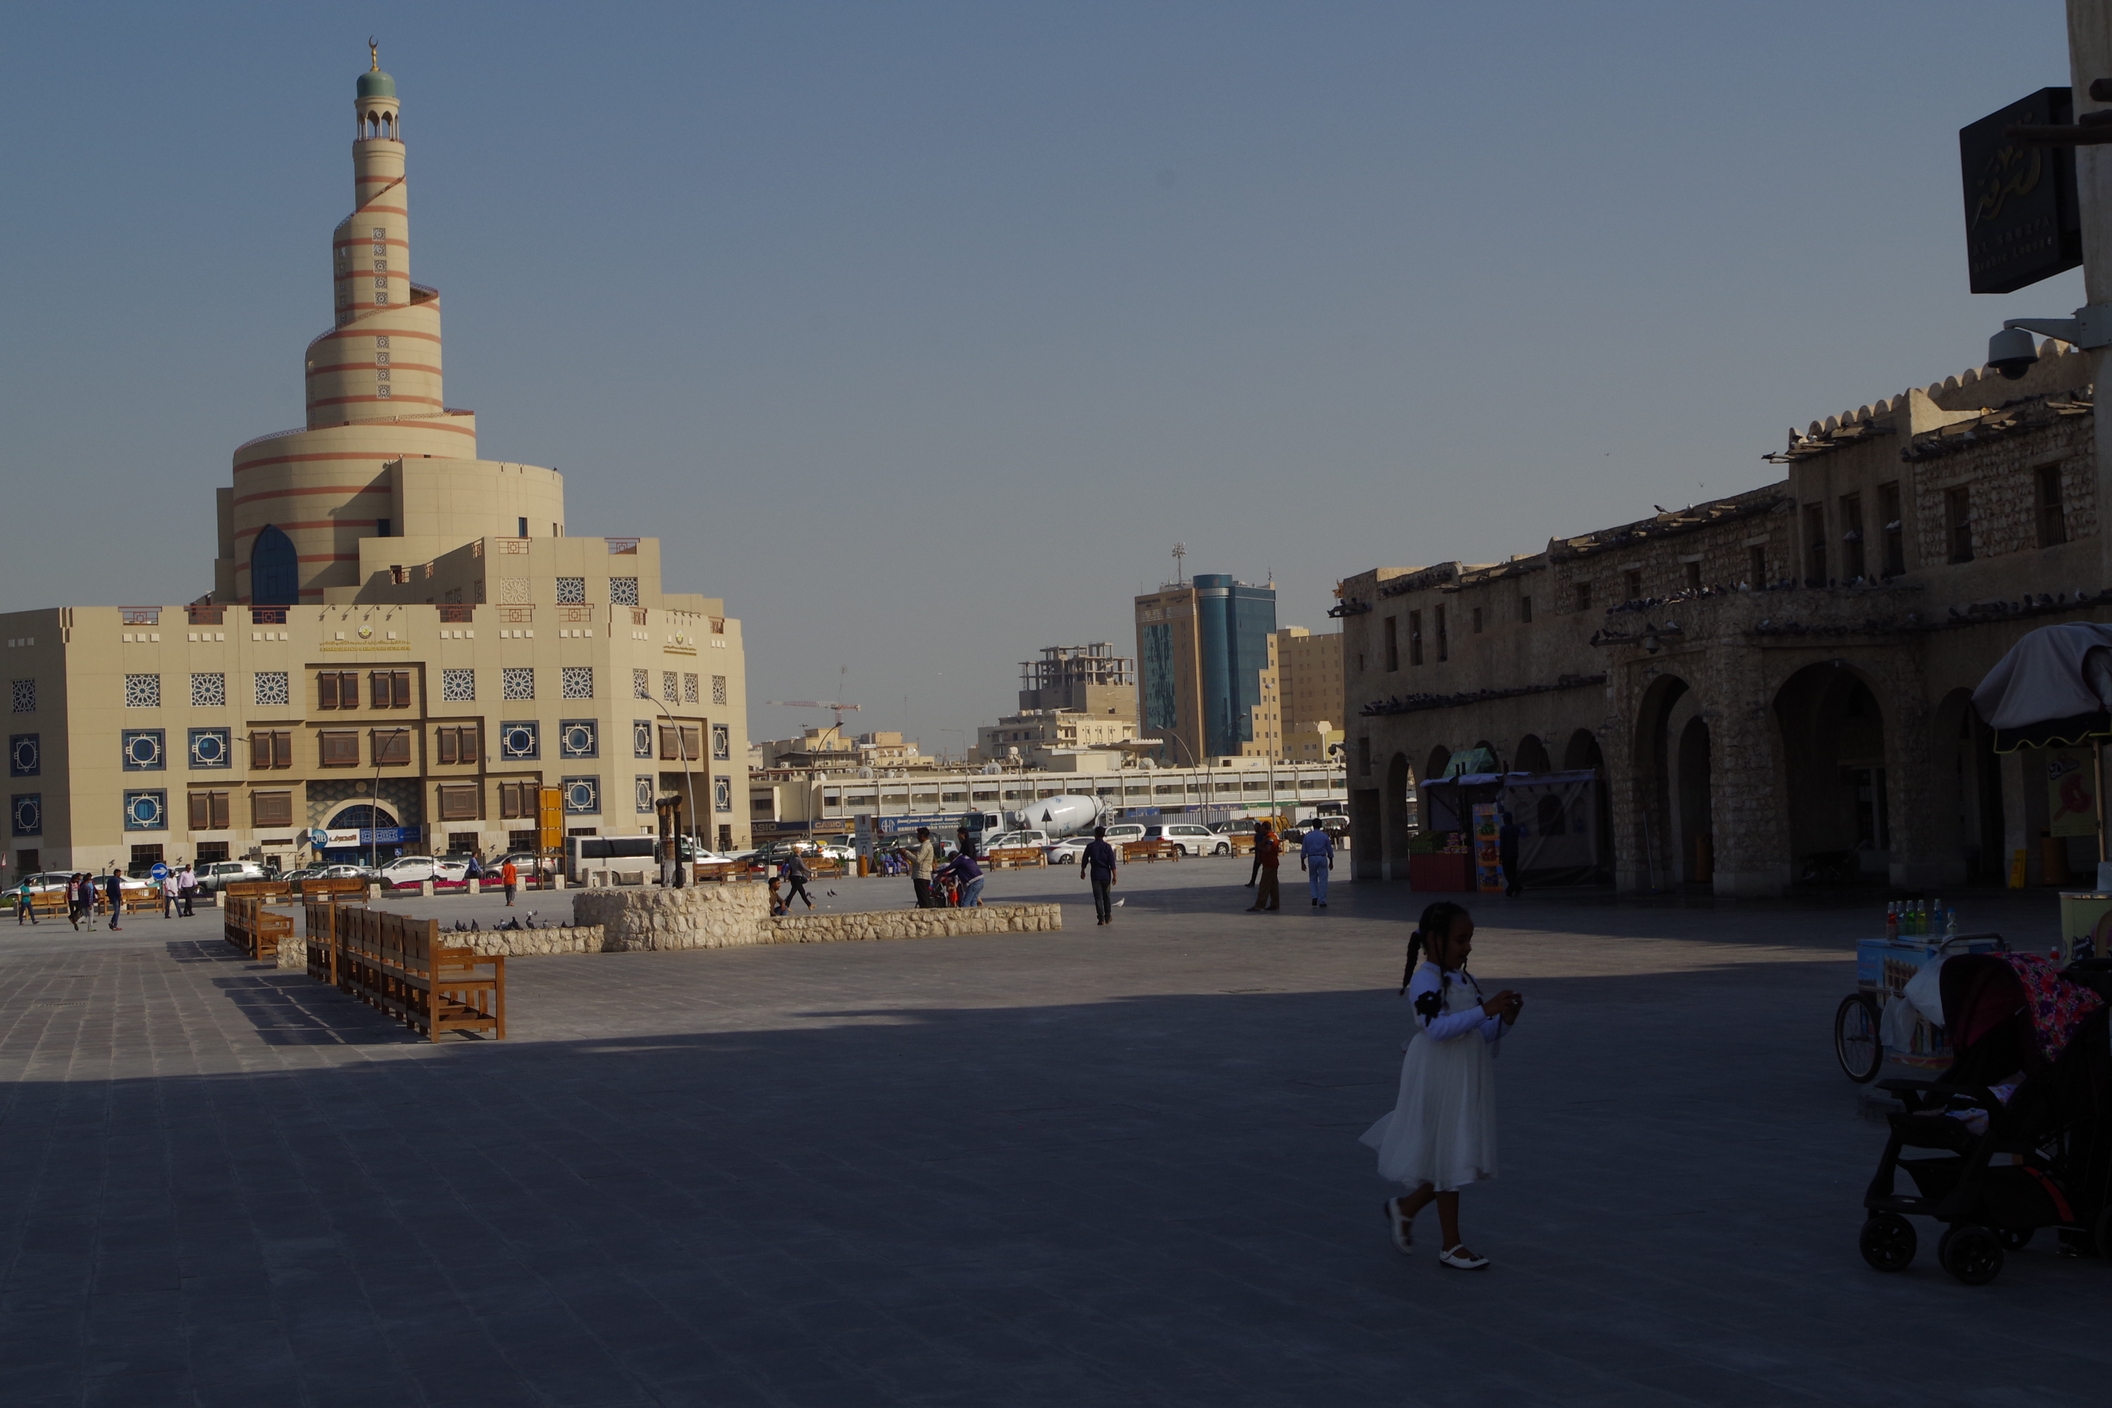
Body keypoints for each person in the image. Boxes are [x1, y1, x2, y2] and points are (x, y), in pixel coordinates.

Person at [1361, 901, 1524, 1271]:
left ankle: (1409, 1211)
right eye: (1460, 940)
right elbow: (1435, 1028)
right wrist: (1485, 1011)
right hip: (1438, 1073)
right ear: (1435, 940)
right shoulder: (1426, 979)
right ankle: (1449, 1243)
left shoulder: (1463, 979)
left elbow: (1478, 1032)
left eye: (1469, 939)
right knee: (1447, 1153)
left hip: (1461, 1073)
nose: (1467, 947)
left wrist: (1504, 1019)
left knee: (1449, 1154)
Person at [1080, 826, 1118, 926]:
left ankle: (1101, 918)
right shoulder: (1107, 847)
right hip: (1106, 875)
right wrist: (1115, 876)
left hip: (1095, 875)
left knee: (1098, 897)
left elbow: (1085, 859)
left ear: (1095, 835)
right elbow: (1112, 863)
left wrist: (1083, 871)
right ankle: (1108, 916)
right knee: (1106, 896)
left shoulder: (1090, 846)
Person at [1247, 822, 1281, 912]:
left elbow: (1268, 849)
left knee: (1264, 885)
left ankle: (1259, 905)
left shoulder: (1270, 837)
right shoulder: (1273, 835)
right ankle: (1275, 904)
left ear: (1265, 828)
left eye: (1262, 827)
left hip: (1269, 864)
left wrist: (1260, 848)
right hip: (1272, 863)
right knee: (1273, 885)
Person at [1300, 823, 1335, 908]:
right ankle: (1322, 900)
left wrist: (1302, 862)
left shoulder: (1307, 836)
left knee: (1313, 878)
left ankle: (1314, 896)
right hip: (1322, 857)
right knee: (1323, 879)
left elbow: (1303, 850)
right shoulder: (1324, 836)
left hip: (1311, 857)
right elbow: (1329, 849)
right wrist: (1331, 861)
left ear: (1313, 825)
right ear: (1320, 826)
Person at [908, 828, 937, 908]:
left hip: (922, 875)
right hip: (921, 875)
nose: (917, 837)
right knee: (922, 899)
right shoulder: (924, 845)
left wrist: (906, 853)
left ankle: (927, 914)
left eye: (918, 835)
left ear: (922, 836)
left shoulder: (925, 846)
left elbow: (918, 859)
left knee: (924, 900)